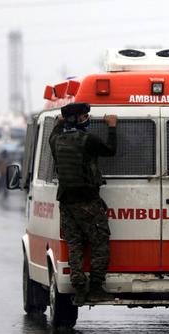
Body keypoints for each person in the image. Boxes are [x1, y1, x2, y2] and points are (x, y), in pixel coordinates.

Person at [49, 102, 118, 306]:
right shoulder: (88, 139)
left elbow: (54, 131)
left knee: (75, 244)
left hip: (66, 202)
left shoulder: (56, 140)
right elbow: (111, 150)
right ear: (79, 118)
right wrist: (112, 127)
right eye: (84, 115)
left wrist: (60, 122)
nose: (87, 118)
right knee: (99, 241)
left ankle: (79, 289)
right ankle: (96, 288)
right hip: (87, 200)